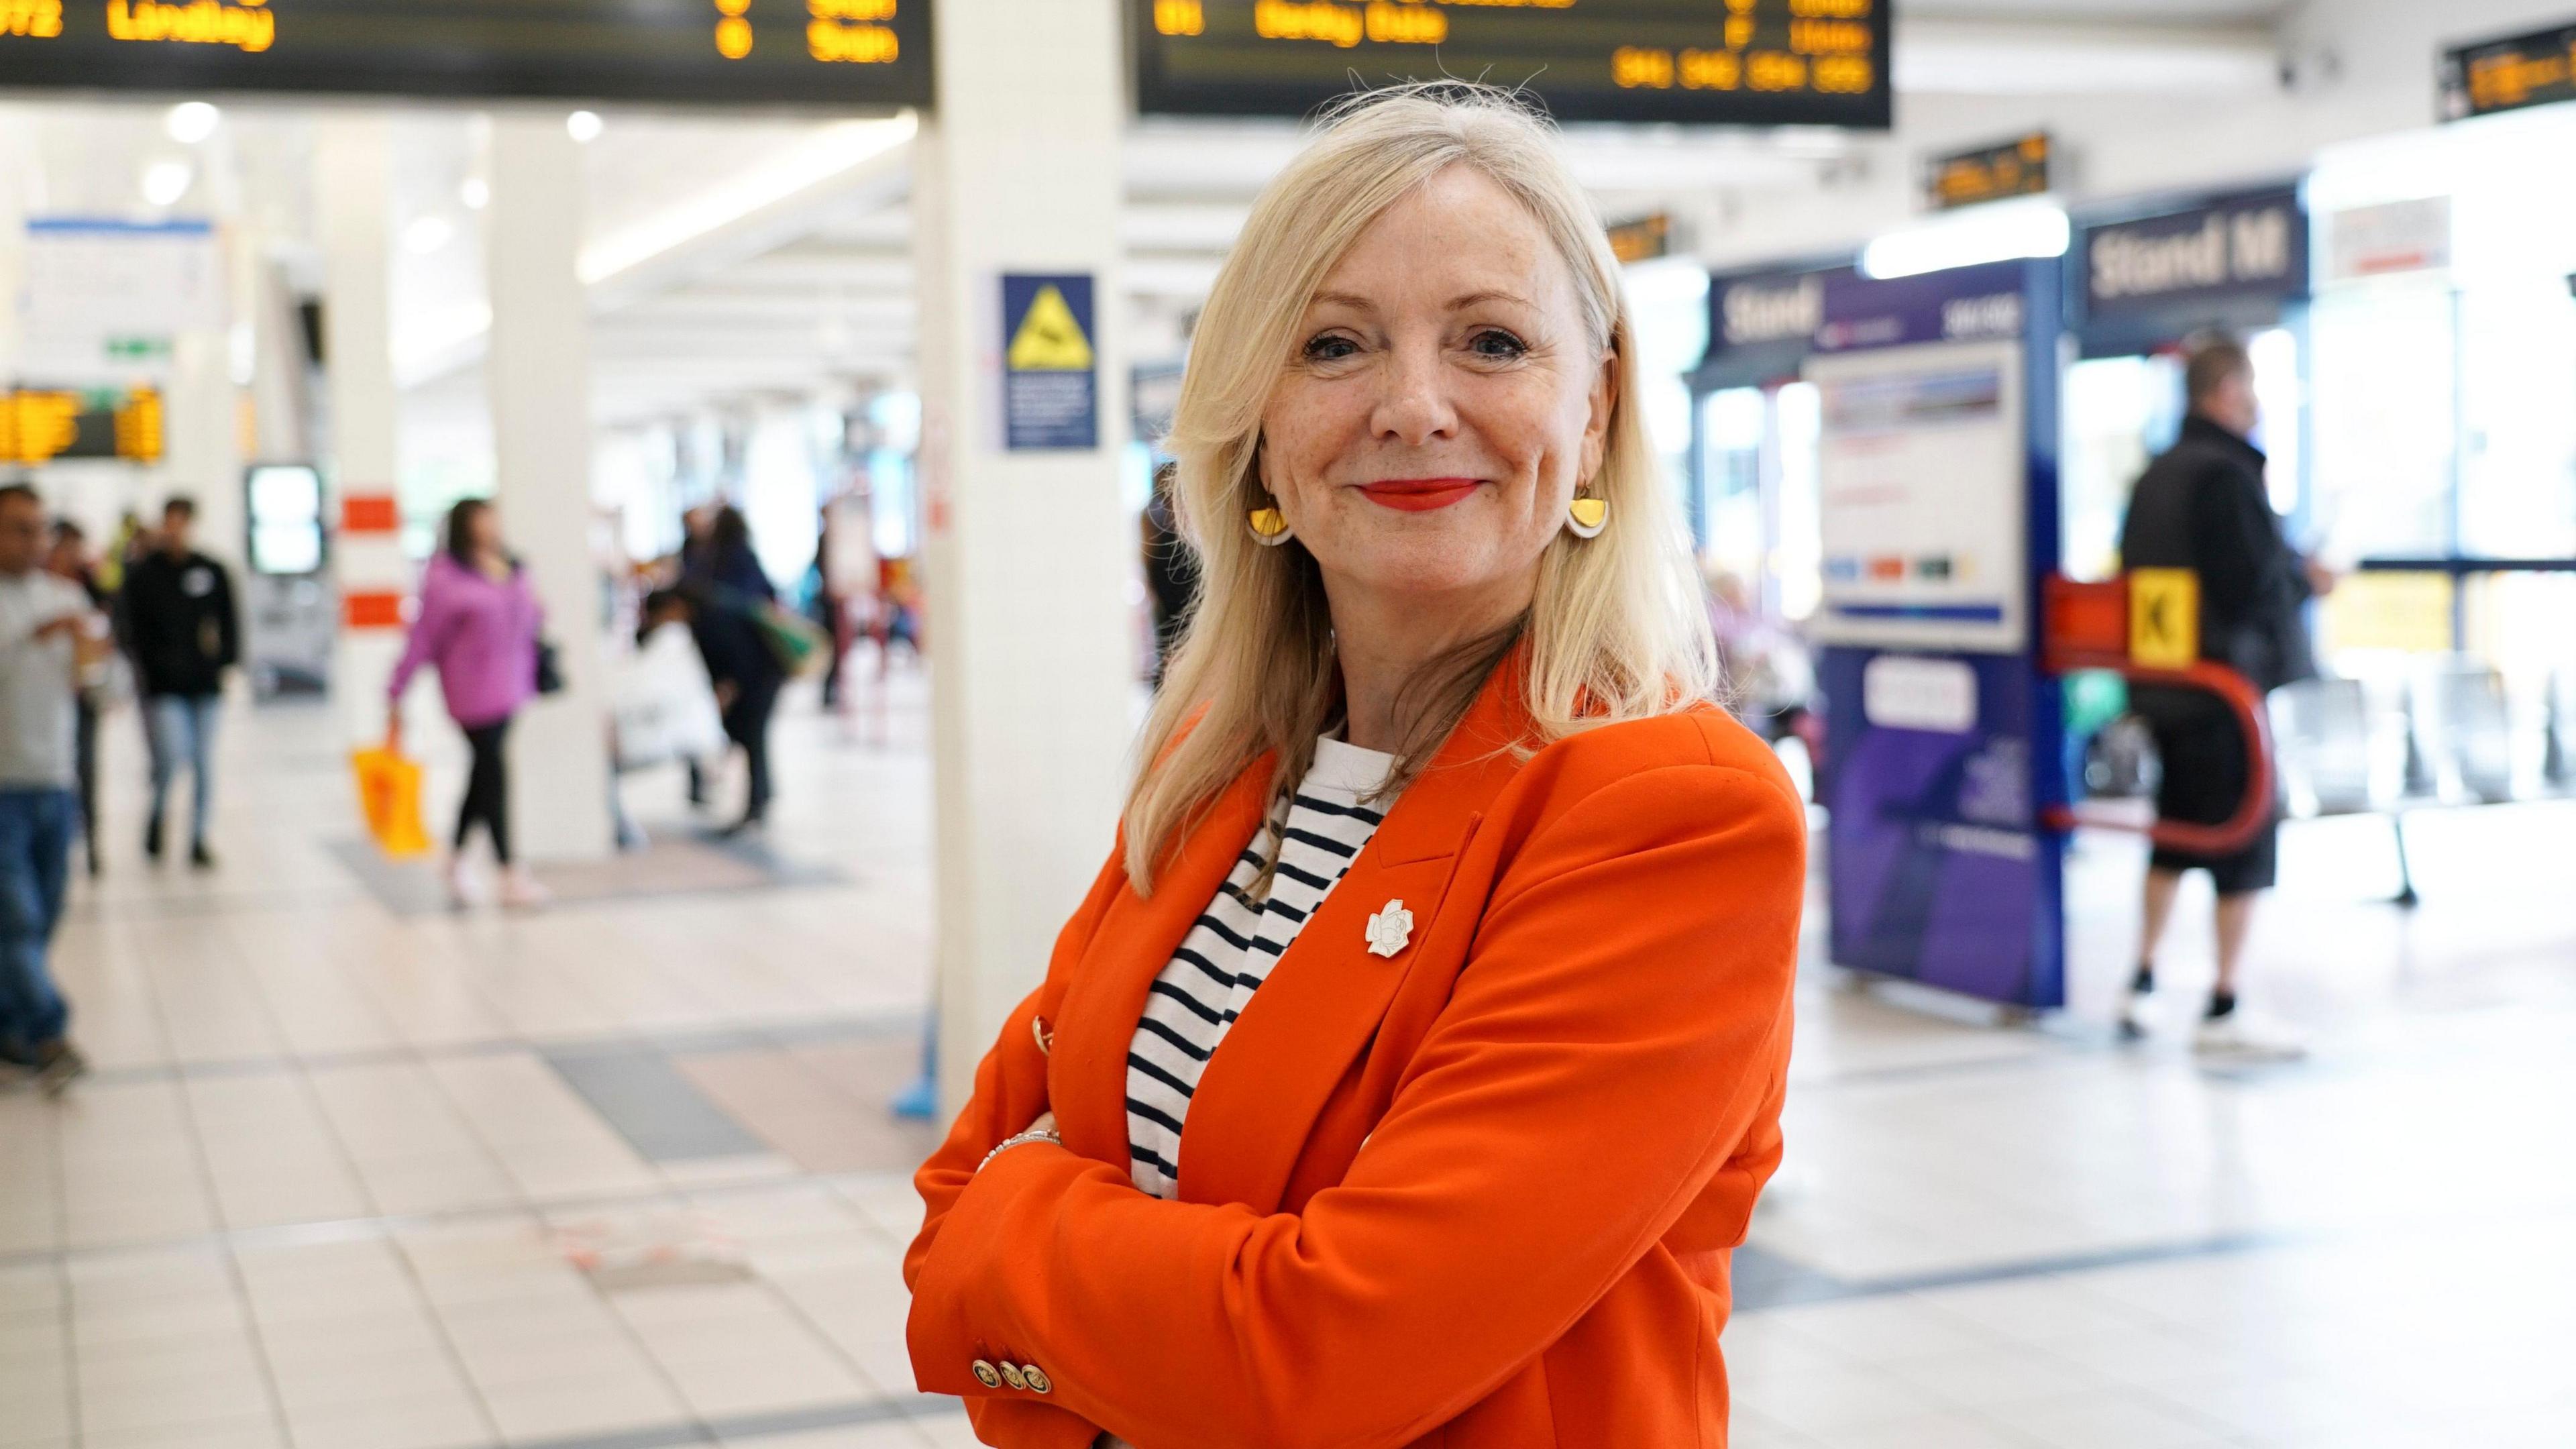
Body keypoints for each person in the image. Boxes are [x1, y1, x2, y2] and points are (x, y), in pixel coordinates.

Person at [902, 87, 1805, 1449]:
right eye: (1335, 345)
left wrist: (1027, 1240)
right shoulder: (1227, 768)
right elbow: (943, 1227)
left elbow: (1323, 1364)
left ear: (1598, 410)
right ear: (1259, 423)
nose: (1415, 407)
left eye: (1492, 341)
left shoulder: (1670, 814)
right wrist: (1142, 1303)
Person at [2116, 335, 2330, 1055]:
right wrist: (2307, 580)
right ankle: (2224, 1004)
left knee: (2173, 833)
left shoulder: (2156, 475)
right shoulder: (2228, 477)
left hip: (2168, 686)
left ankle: (2141, 981)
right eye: (2251, 387)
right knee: (2243, 837)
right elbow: (2250, 588)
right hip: (2225, 690)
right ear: (2226, 392)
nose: (2259, 403)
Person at [388, 498, 549, 909]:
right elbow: (423, 636)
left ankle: (457, 858)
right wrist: (396, 689)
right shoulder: (445, 576)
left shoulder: (509, 566)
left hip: (512, 685)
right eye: (481, 519)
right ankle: (509, 870)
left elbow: (535, 615)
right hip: (471, 691)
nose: (490, 526)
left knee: (484, 774)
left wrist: (520, 583)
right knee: (493, 771)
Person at [0, 486, 97, 1092]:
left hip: (56, 783)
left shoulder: (65, 596)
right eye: (18, 529)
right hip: (2, 789)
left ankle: (8, 1021)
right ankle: (50, 1032)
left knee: (46, 913)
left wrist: (95, 663)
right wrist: (30, 639)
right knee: (17, 921)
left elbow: (95, 684)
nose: (34, 542)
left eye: (39, 529)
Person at [119, 496, 239, 869]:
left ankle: (198, 837)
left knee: (204, 761)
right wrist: (147, 669)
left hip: (204, 683)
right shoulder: (145, 575)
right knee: (171, 756)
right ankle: (157, 814)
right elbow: (130, 628)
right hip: (165, 686)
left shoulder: (211, 570)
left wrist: (224, 662)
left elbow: (230, 622)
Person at [682, 505, 785, 837]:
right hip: (760, 667)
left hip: (751, 668)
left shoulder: (711, 569)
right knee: (751, 735)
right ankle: (760, 797)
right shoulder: (739, 562)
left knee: (750, 734)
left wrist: (730, 683)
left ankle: (758, 799)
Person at [45, 522, 109, 879]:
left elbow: (100, 636)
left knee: (87, 770)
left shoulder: (85, 587)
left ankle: (92, 843)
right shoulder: (29, 592)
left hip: (81, 699)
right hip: (40, 712)